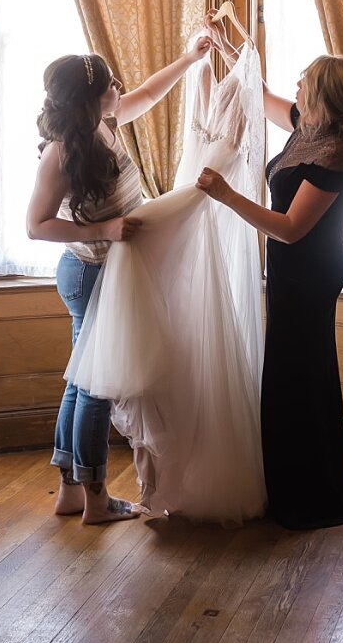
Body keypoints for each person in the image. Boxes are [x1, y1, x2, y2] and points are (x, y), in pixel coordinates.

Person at [25, 35, 212, 523]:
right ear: (92, 97)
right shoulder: (61, 153)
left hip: (107, 273)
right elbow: (35, 225)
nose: (119, 86)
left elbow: (148, 94)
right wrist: (103, 229)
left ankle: (70, 490)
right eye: (111, 82)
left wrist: (189, 58)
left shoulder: (103, 122)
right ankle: (97, 498)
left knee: (81, 383)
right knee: (96, 388)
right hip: (88, 275)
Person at [197, 52, 343, 529]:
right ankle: (294, 483)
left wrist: (228, 196)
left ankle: (309, 493)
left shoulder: (336, 155)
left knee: (296, 372)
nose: (296, 85)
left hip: (310, 272)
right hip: (290, 268)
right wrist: (234, 49)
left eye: (304, 81)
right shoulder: (307, 126)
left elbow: (292, 228)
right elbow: (256, 96)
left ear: (324, 95)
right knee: (292, 370)